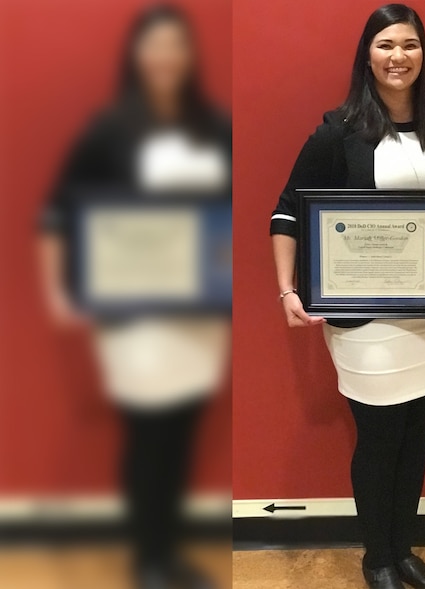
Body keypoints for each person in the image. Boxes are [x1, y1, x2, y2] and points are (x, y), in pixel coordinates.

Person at [270, 5, 425, 589]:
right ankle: (376, 558)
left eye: (409, 44)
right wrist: (286, 289)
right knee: (379, 438)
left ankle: (403, 552)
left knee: (419, 431)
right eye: (385, 45)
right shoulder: (338, 131)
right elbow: (286, 213)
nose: (398, 56)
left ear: (423, 54)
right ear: (367, 55)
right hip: (366, 320)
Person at [38, 5, 230, 588]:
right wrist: (57, 292)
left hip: (200, 316)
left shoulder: (213, 126)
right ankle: (148, 559)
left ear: (189, 55)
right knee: (147, 433)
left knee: (179, 435)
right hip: (135, 317)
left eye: (176, 45)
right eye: (154, 46)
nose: (166, 57)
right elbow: (56, 214)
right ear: (137, 56)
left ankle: (166, 553)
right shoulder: (109, 129)